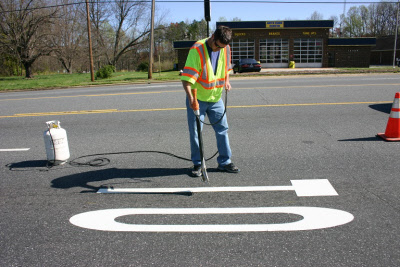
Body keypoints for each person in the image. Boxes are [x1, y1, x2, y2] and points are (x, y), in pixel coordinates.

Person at [181, 25, 240, 177]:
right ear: (213, 36)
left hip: (216, 98)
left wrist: (227, 80)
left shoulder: (225, 48)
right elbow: (187, 79)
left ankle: (225, 162)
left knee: (222, 130)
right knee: (195, 132)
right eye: (216, 46)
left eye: (221, 48)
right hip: (198, 98)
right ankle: (198, 164)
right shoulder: (197, 49)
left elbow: (226, 68)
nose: (218, 50)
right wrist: (191, 100)